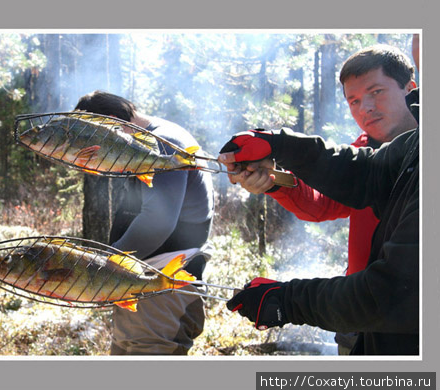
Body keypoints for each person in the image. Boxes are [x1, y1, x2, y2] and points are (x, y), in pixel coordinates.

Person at [228, 44, 418, 354]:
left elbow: (395, 291)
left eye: (376, 92)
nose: (364, 108)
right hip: (356, 315)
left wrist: (289, 301)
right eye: (353, 101)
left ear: (409, 88)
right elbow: (320, 201)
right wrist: (274, 180)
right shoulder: (360, 152)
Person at [74, 91, 215, 355]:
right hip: (143, 283)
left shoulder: (162, 143)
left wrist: (106, 265)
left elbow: (157, 221)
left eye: (93, 136)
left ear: (113, 121)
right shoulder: (143, 142)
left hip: (162, 290)